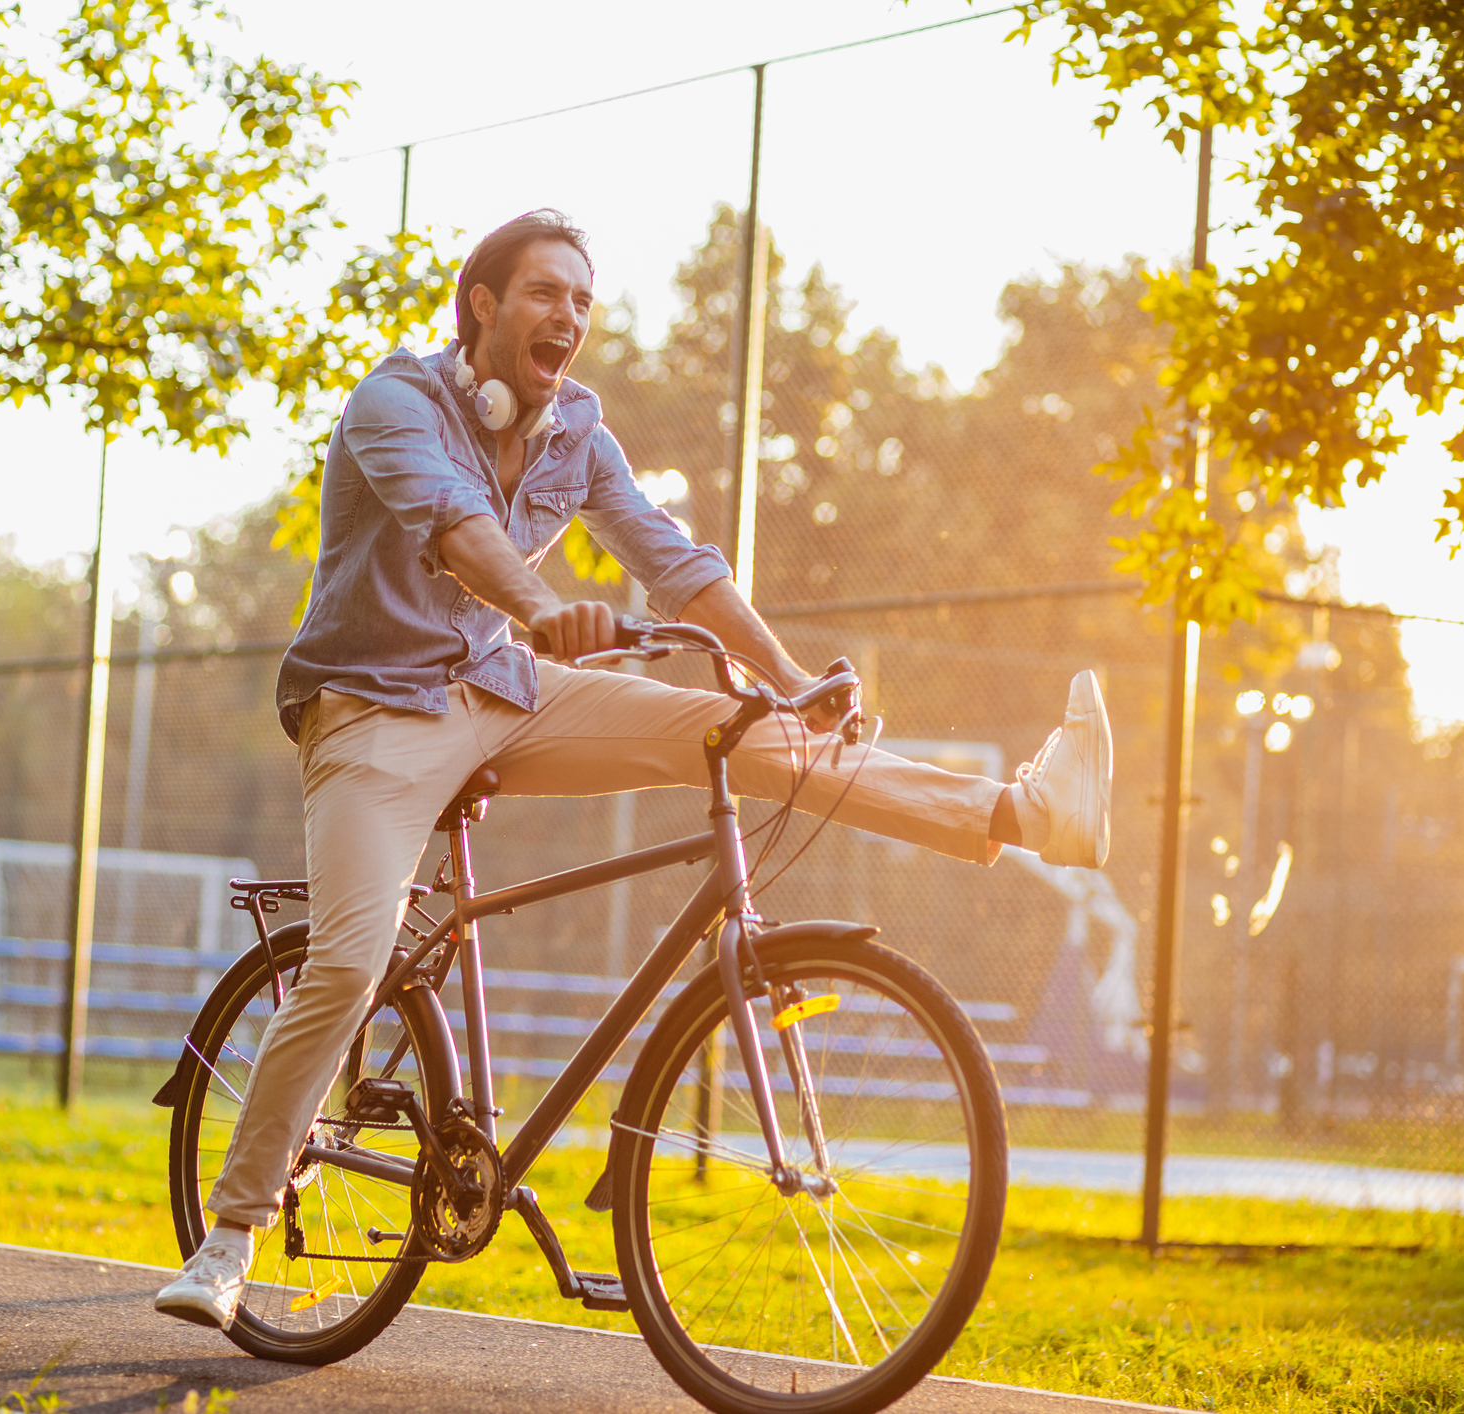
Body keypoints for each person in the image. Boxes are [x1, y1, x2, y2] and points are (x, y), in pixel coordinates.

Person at [154, 210, 1112, 1328]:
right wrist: (549, 608)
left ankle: (1022, 810)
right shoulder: (395, 404)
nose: (566, 317)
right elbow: (458, 527)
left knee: (745, 732)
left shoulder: (577, 434)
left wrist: (791, 677)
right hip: (376, 717)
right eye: (543, 294)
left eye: (581, 301)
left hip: (504, 693)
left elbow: (674, 562)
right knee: (351, 961)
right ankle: (231, 1236)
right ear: (484, 304)